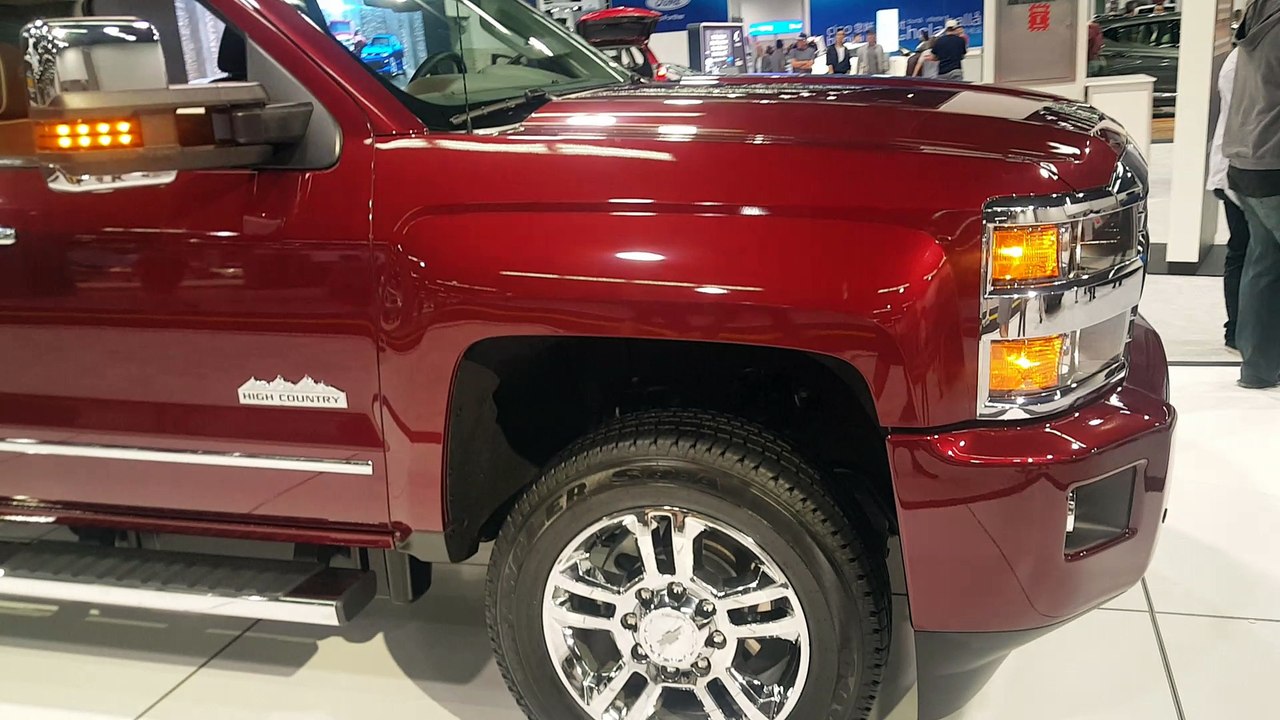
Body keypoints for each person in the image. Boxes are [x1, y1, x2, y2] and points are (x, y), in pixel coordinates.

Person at [1223, 0, 1280, 388]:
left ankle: (1257, 369)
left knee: (1263, 263)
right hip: (1274, 161)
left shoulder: (1258, 14)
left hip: (1247, 162)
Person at [1209, 47, 1250, 351]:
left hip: (1241, 167)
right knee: (1243, 250)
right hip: (1239, 169)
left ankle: (1239, 329)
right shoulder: (1243, 60)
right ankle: (1236, 329)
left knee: (1243, 251)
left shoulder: (1243, 56)